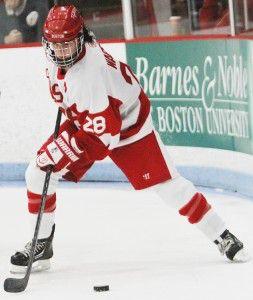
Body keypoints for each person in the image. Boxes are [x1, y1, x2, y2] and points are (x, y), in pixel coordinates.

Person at [9, 4, 248, 273]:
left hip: (128, 125)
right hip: (93, 119)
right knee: (38, 172)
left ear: (81, 38)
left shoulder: (91, 73)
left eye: (68, 44)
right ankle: (42, 245)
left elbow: (104, 138)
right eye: (56, 45)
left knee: (168, 186)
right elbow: (75, 99)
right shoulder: (60, 57)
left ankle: (222, 235)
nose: (62, 52)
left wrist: (67, 147)